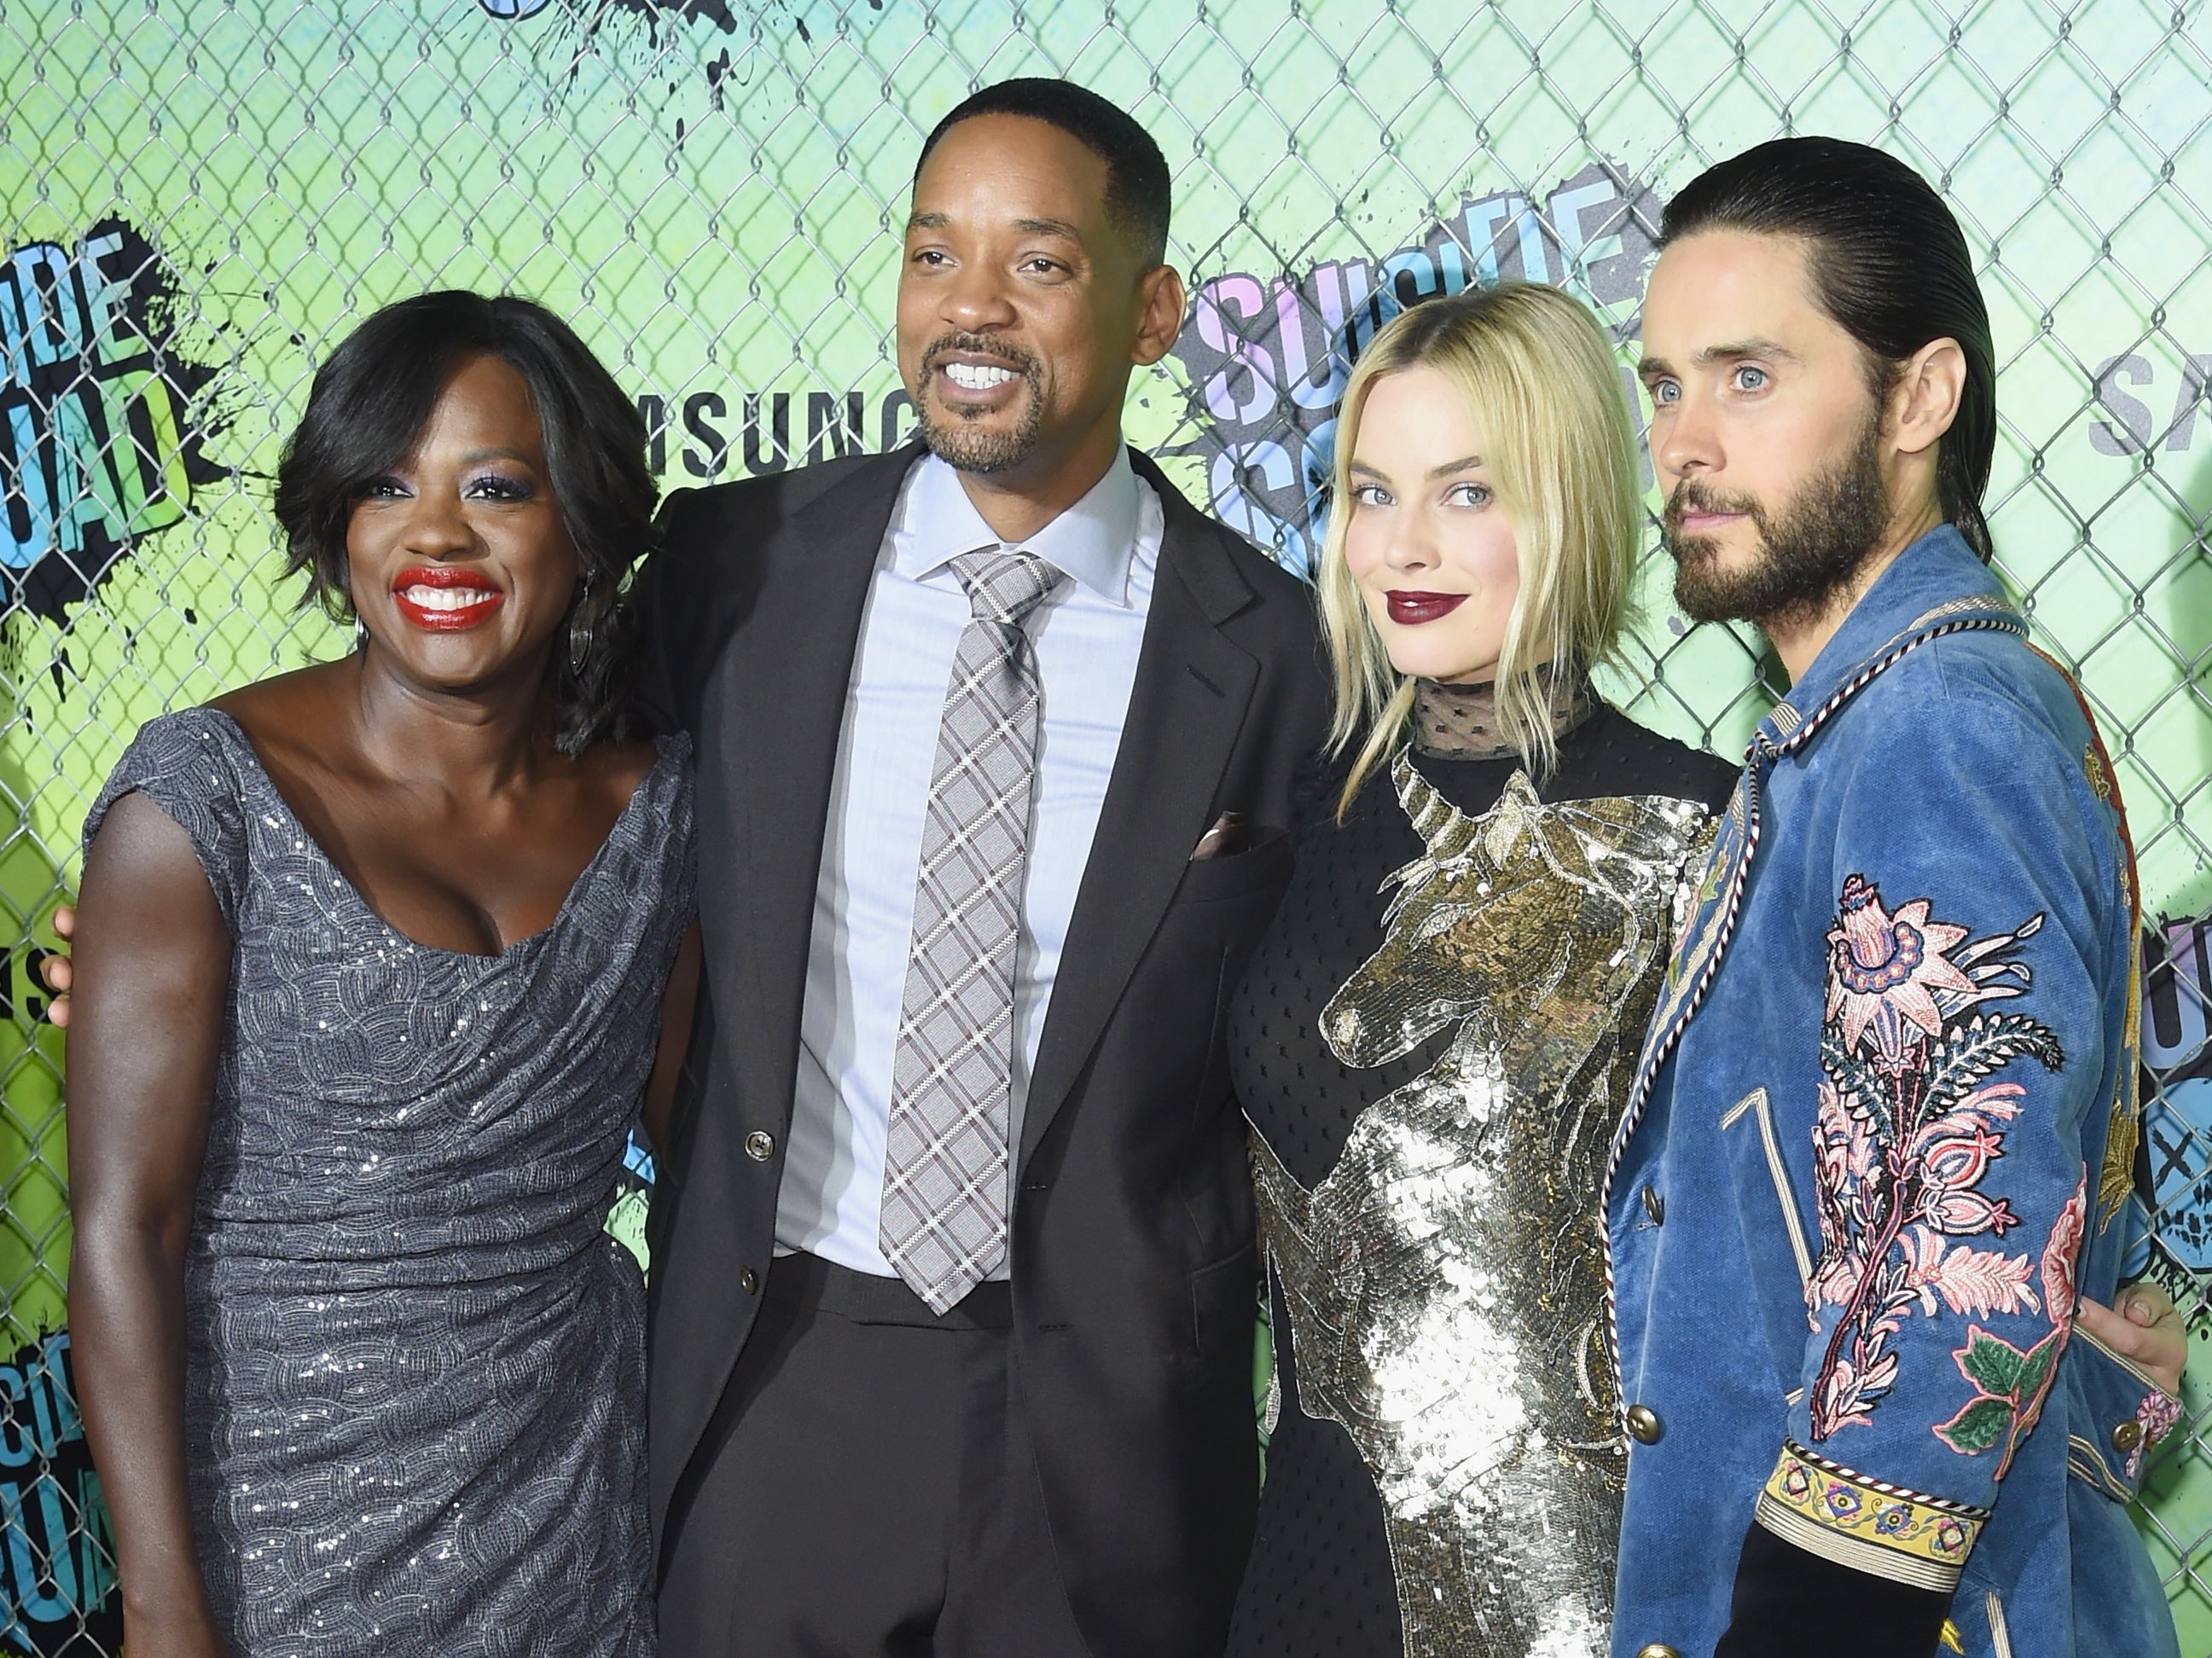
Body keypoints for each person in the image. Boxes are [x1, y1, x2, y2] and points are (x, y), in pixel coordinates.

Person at [629, 80, 1329, 1655]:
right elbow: (532, 803)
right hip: (780, 1365)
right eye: (933, 254)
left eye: (1040, 264)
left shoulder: (1276, 654)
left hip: (1110, 1423)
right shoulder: (735, 572)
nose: (971, 309)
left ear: (1152, 312)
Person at [1606, 138, 2183, 1658]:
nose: (1681, 442)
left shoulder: (1936, 724)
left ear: (1918, 397)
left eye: (1746, 377)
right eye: (1662, 384)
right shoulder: (1860, 721)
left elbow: (1960, 1247)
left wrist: (1796, 1628)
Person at [62, 292, 700, 1657]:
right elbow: (125, 1233)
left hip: (571, 1538)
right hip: (269, 1556)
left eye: (496, 486)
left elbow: (705, 1153)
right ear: (332, 528)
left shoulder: (661, 811)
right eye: (384, 486)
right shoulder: (202, 807)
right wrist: (164, 1609)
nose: (436, 537)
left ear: (581, 527)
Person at [1222, 281, 1737, 1658]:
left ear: (1566, 498)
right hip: (1310, 1563)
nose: (1400, 544)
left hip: (1595, 1592)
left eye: (1465, 494)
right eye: (1368, 491)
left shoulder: (1708, 829)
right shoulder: (1287, 812)